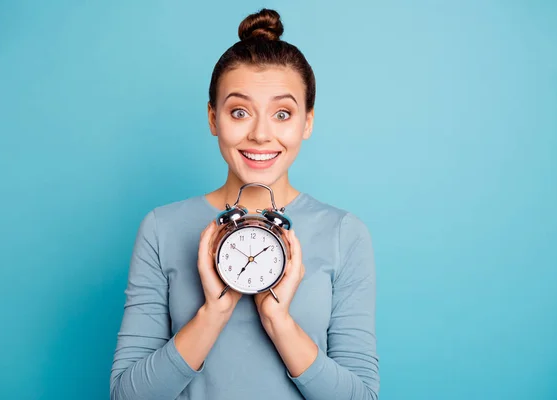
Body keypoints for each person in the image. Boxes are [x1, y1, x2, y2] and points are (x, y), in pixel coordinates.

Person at [110, 8, 379, 400]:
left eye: (282, 113)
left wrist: (278, 320)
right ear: (213, 118)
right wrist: (214, 312)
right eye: (239, 112)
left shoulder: (344, 233)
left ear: (307, 122)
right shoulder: (161, 228)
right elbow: (126, 396)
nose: (260, 134)